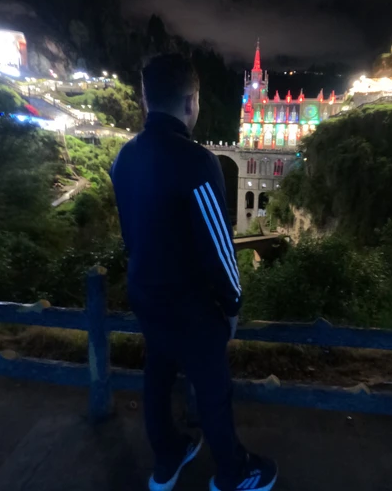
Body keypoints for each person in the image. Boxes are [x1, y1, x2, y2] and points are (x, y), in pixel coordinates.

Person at [110, 54, 277, 491]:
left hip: (145, 294)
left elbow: (130, 232)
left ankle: (167, 458)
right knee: (213, 389)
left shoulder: (123, 158)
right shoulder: (197, 162)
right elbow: (219, 246)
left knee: (158, 374)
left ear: (145, 99)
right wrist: (233, 303)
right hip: (190, 306)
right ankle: (232, 473)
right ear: (191, 102)